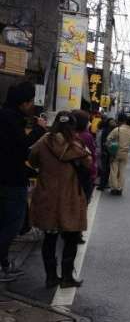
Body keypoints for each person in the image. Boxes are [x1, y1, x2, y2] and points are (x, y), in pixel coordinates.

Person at [28, 112, 92, 289]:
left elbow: (32, 159)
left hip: (47, 196)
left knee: (49, 239)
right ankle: (66, 278)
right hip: (70, 197)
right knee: (71, 238)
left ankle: (50, 277)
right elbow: (89, 164)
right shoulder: (77, 145)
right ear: (72, 125)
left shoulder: (43, 141)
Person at [0, 81, 46, 282]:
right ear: (23, 103)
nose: (32, 107)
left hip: (7, 176)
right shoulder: (10, 119)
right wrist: (39, 130)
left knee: (5, 223)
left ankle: (4, 265)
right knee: (12, 224)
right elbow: (22, 148)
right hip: (10, 180)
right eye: (30, 102)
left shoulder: (6, 115)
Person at [106, 115, 130, 195]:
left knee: (114, 170)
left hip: (115, 152)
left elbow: (108, 139)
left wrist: (110, 148)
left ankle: (114, 188)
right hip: (125, 153)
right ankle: (120, 188)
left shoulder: (118, 129)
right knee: (122, 171)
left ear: (125, 121)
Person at [72, 110, 97, 203]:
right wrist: (93, 174)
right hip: (84, 174)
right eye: (88, 121)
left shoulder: (66, 134)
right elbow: (92, 157)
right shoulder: (87, 136)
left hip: (68, 175)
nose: (90, 123)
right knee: (82, 204)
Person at [97, 117, 116, 191]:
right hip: (107, 151)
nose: (113, 123)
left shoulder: (109, 130)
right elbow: (103, 142)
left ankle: (103, 184)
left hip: (108, 151)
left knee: (106, 169)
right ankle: (103, 184)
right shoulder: (107, 130)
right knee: (105, 169)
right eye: (111, 121)